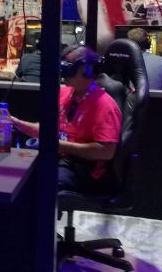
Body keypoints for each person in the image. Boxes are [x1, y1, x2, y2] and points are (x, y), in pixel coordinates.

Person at [9, 45, 123, 194]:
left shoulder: (105, 105)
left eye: (69, 69)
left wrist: (59, 145)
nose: (64, 75)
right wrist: (16, 123)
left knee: (39, 182)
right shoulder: (64, 93)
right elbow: (47, 130)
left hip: (85, 171)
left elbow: (106, 152)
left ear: (87, 70)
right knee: (17, 171)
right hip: (60, 159)